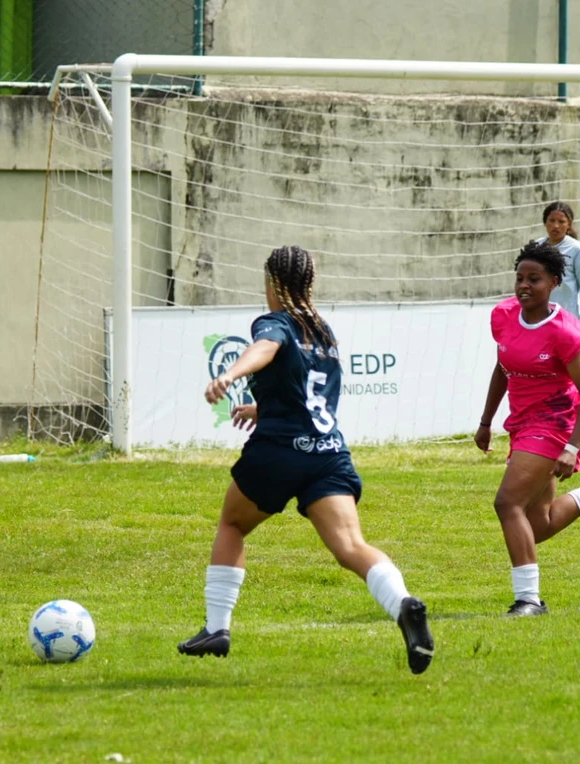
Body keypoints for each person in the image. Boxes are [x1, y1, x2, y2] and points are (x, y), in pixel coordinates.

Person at [178, 245, 435, 674]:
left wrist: (229, 374)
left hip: (280, 451)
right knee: (351, 546)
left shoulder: (275, 322)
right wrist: (263, 408)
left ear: (272, 284)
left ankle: (216, 629)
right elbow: (314, 395)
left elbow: (265, 348)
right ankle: (404, 604)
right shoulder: (324, 332)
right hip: (328, 454)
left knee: (233, 523)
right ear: (310, 283)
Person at [475, 241, 580, 617]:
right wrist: (486, 421)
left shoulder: (565, 332)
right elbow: (502, 368)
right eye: (519, 278)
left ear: (554, 282)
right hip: (521, 423)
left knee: (507, 504)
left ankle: (529, 601)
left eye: (534, 279)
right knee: (538, 525)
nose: (524, 285)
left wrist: (572, 446)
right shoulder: (503, 316)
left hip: (554, 423)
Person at [535, 201, 580, 330]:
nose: (556, 226)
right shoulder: (536, 247)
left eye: (561, 221)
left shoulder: (577, 250)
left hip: (566, 322)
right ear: (545, 222)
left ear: (569, 225)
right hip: (539, 320)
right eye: (552, 220)